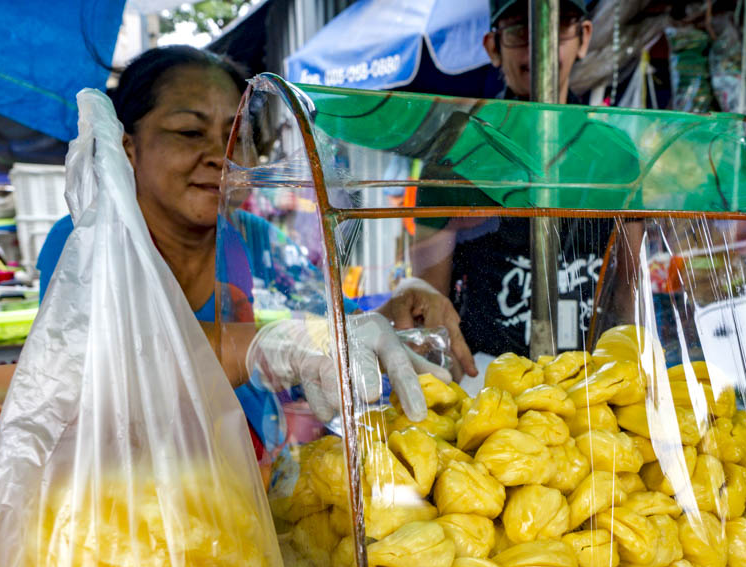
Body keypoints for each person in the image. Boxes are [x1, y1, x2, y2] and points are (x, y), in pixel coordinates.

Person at [37, 45, 453, 447]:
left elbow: (327, 322)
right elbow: (112, 359)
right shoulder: (84, 243)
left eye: (235, 136)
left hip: (256, 477)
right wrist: (264, 348)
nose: (220, 156)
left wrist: (395, 310)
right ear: (129, 148)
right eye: (190, 132)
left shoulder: (254, 239)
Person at [412, 0, 642, 370]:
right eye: (520, 30)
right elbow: (430, 303)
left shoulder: (616, 156)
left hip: (588, 380)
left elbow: (627, 291)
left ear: (584, 37)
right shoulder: (455, 155)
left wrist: (625, 372)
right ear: (493, 47)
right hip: (488, 378)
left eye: (559, 27)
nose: (539, 48)